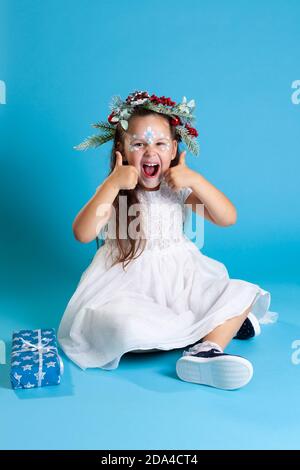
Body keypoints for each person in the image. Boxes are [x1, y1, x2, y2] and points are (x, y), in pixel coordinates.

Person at [58, 90, 278, 390]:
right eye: (138, 144)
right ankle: (216, 324)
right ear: (121, 148)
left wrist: (195, 180)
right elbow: (82, 233)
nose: (150, 152)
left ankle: (205, 350)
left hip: (181, 281)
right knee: (126, 329)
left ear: (174, 149)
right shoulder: (114, 191)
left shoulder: (179, 188)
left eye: (160, 143)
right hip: (126, 287)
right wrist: (111, 184)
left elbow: (228, 217)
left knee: (241, 291)